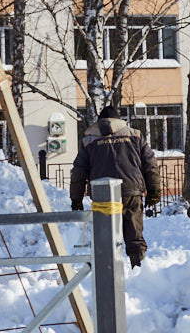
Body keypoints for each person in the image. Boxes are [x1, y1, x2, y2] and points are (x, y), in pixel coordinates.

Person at [69, 105, 160, 267]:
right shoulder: (135, 135)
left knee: (106, 236)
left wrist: (76, 199)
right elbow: (150, 164)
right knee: (134, 234)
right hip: (131, 192)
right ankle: (139, 269)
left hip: (102, 196)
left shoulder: (88, 141)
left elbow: (78, 172)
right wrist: (153, 191)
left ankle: (108, 273)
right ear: (119, 120)